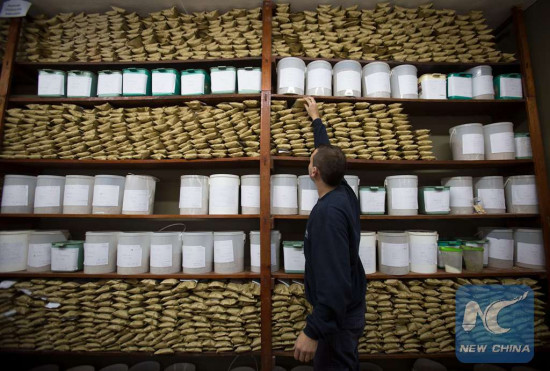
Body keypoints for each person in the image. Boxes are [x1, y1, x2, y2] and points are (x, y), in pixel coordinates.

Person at [293, 96, 367, 370]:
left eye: (311, 159)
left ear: (314, 172)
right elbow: (325, 152)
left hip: (338, 319)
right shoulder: (345, 192)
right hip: (346, 313)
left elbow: (334, 282)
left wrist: (314, 330)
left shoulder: (327, 216)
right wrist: (316, 118)